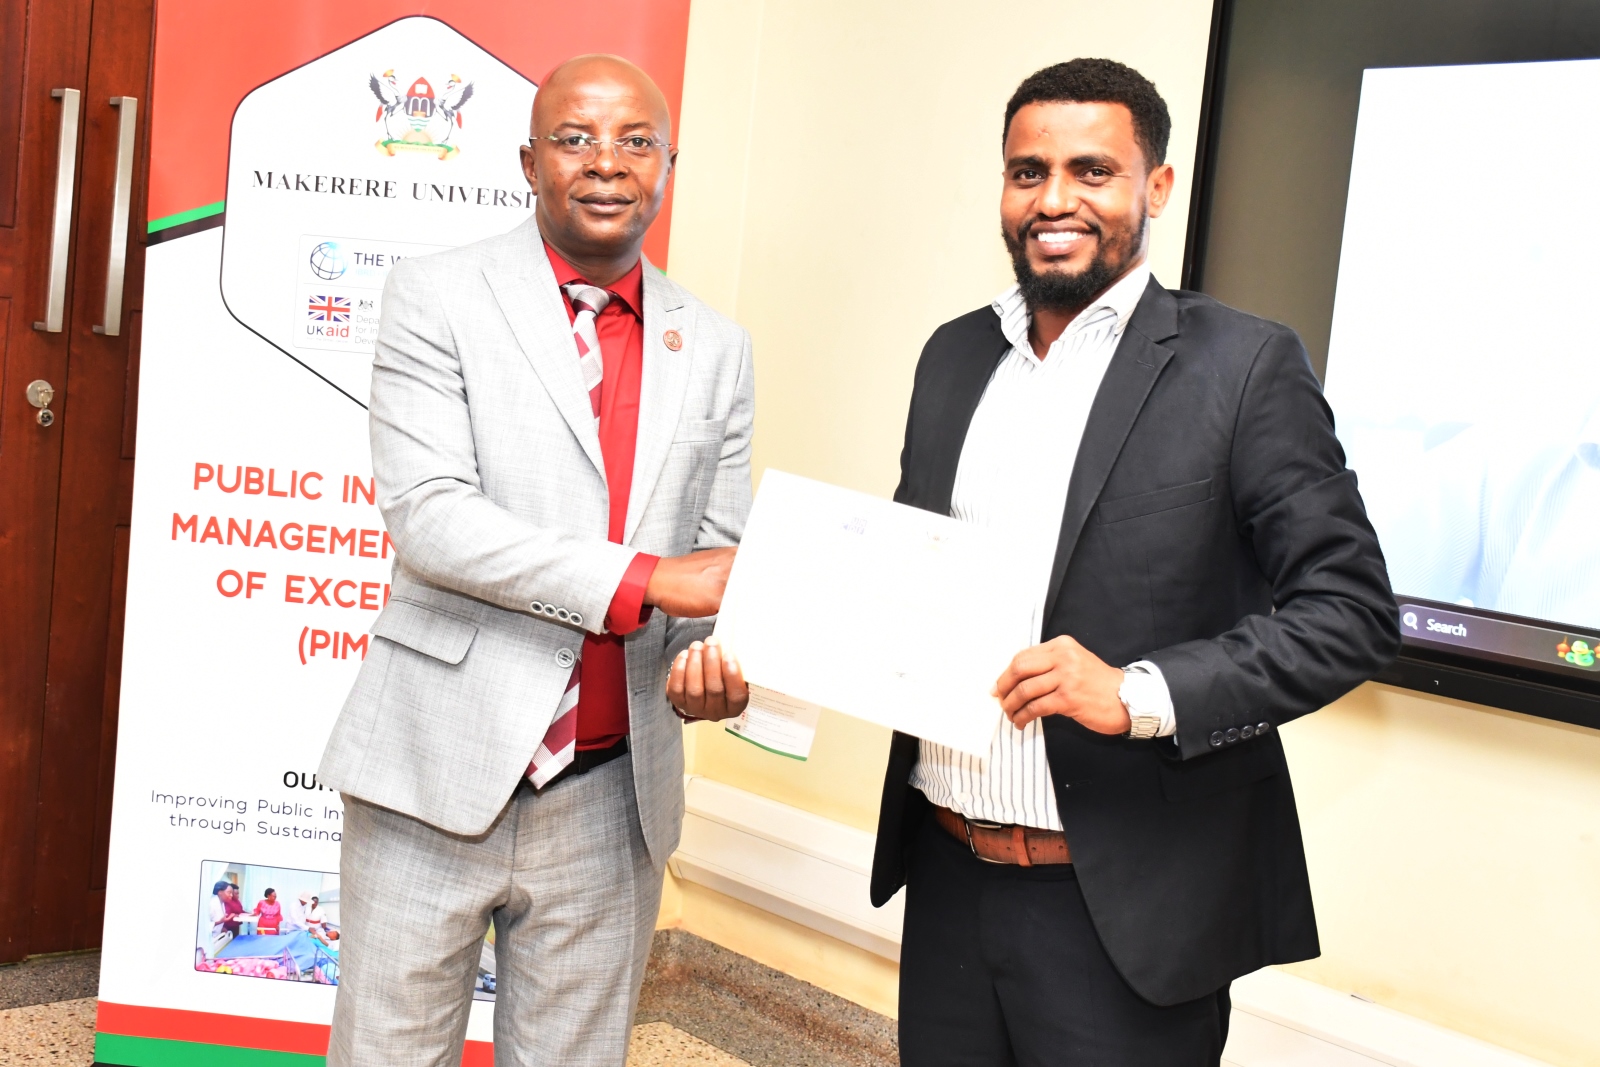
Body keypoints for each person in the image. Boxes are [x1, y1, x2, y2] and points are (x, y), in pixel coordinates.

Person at [869, 59, 1399, 1066]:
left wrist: (1139, 690)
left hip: (1124, 911)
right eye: (1027, 172)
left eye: (1091, 171)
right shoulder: (952, 356)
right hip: (946, 882)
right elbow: (912, 568)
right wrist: (778, 641)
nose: (1054, 199)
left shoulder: (1242, 366)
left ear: (1155, 187)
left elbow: (1349, 612)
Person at [318, 53, 751, 1067]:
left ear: (666, 166)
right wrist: (648, 581)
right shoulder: (436, 295)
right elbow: (433, 519)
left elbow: (715, 558)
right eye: (575, 138)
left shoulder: (717, 346)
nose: (607, 163)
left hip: (612, 791)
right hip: (434, 768)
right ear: (529, 160)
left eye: (635, 141)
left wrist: (712, 665)